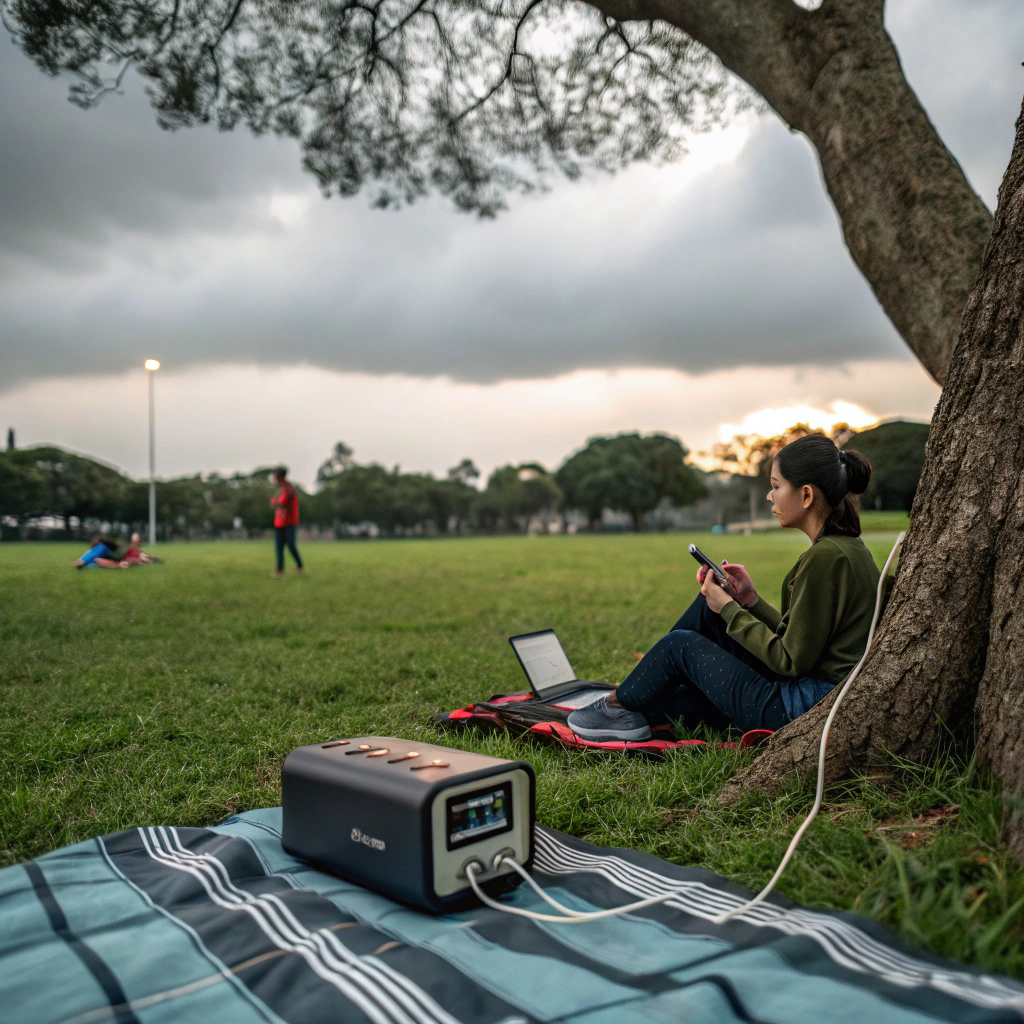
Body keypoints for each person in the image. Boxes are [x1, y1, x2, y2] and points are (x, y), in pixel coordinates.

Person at [567, 434, 880, 741]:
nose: (770, 497)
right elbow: (803, 641)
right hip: (808, 695)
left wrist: (729, 608)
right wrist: (750, 601)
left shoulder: (825, 557)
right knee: (707, 611)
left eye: (775, 486)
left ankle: (617, 705)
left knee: (680, 645)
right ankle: (637, 697)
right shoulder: (848, 549)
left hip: (796, 707)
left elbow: (790, 661)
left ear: (807, 496)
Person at [270, 466, 303, 576]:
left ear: (279, 477)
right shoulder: (284, 489)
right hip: (280, 523)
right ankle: (280, 570)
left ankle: (299, 566)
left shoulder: (288, 489)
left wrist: (275, 501)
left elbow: (281, 502)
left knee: (290, 545)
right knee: (279, 546)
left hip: (289, 522)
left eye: (275, 477)